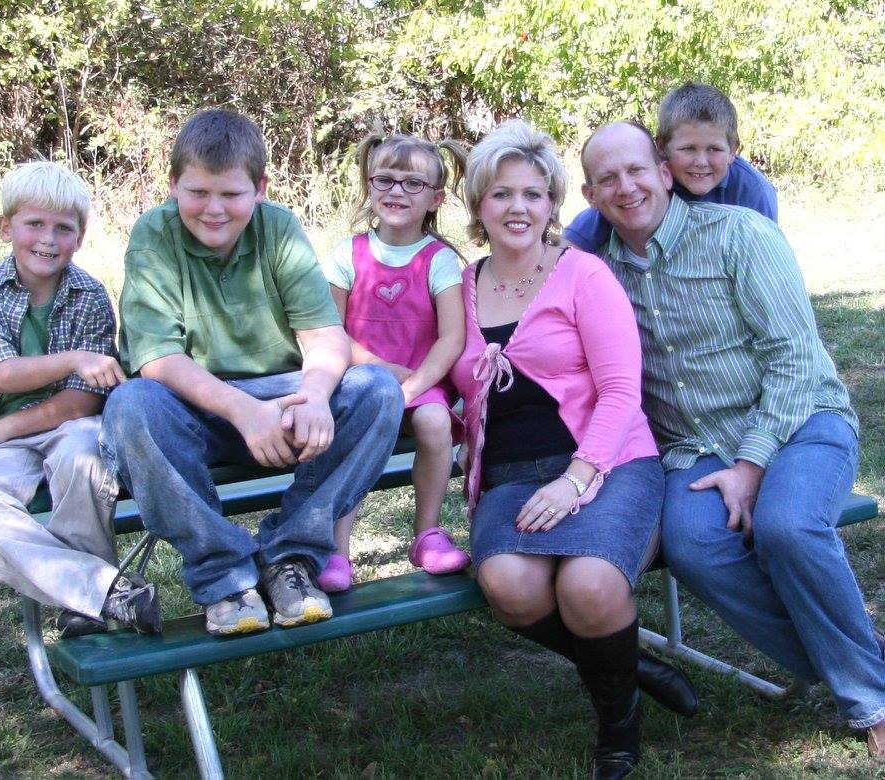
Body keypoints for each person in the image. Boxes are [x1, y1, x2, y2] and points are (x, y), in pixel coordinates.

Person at [580, 120, 885, 760]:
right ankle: (854, 660)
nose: (625, 187)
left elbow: (796, 360)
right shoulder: (597, 274)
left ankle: (871, 697)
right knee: (693, 546)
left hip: (799, 421)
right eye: (607, 178)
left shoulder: (740, 235)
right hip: (696, 449)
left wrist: (751, 463)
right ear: (590, 195)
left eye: (637, 170)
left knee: (787, 527)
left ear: (665, 173)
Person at [451, 120, 697, 780]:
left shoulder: (583, 274)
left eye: (533, 194)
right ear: (478, 203)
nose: (518, 208)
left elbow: (620, 390)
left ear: (553, 204)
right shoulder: (461, 287)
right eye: (502, 194)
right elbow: (448, 380)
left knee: (589, 587)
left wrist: (576, 479)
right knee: (509, 586)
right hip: (511, 476)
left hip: (608, 463)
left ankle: (617, 726)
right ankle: (633, 665)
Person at [100, 109, 404, 637]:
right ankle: (225, 577)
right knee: (131, 404)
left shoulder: (279, 228)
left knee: (376, 391)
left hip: (284, 401)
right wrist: (244, 411)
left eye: (232, 194)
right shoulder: (154, 234)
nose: (214, 209)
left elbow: (324, 335)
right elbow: (157, 359)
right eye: (198, 192)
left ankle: (291, 558)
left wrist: (314, 395)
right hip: (196, 407)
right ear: (173, 185)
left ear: (260, 189)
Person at [0, 161, 161, 639]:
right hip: (3, 433)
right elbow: (2, 373)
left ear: (80, 237)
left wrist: (0, 429)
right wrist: (74, 359)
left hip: (65, 425)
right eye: (34, 224)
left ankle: (83, 606)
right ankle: (105, 591)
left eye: (63, 228)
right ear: (6, 227)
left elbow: (82, 403)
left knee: (83, 459)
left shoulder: (90, 295)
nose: (48, 239)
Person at [317, 132, 470, 592]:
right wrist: (383, 376)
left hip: (422, 383)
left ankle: (427, 534)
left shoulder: (439, 261)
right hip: (361, 382)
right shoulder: (347, 254)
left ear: (435, 198)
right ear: (369, 185)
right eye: (384, 179)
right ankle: (337, 549)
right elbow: (331, 332)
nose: (397, 191)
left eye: (413, 183)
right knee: (350, 428)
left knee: (435, 423)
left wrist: (413, 385)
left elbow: (452, 338)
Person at [565, 82, 777, 253]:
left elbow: (767, 251)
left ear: (733, 150)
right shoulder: (652, 181)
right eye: (688, 149)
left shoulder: (752, 190)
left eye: (714, 149)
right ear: (661, 147)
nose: (701, 161)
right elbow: (591, 225)